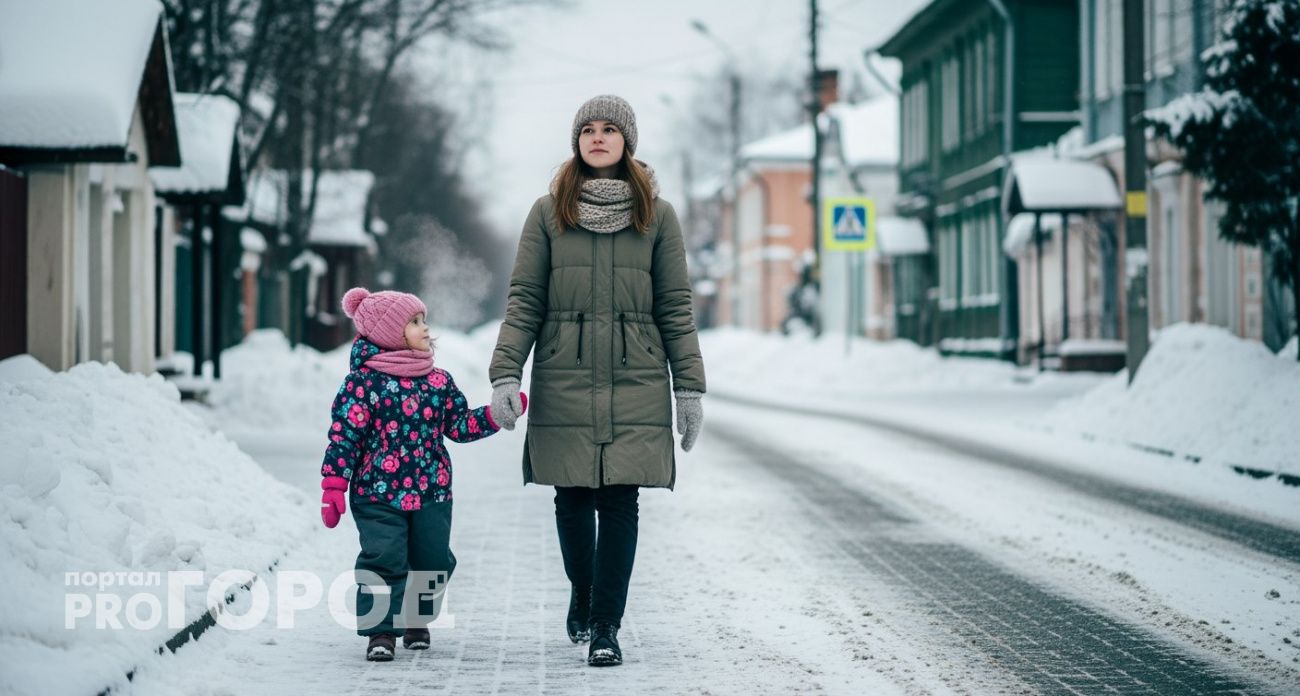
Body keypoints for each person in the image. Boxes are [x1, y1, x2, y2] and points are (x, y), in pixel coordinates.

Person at [488, 94, 707, 667]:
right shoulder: (548, 210)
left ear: (627, 140)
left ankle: (607, 624)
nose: (598, 137)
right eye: (588, 128)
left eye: (610, 128)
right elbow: (525, 300)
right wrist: (505, 372)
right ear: (577, 140)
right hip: (565, 372)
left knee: (619, 500)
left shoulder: (656, 214)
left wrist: (688, 387)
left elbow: (676, 306)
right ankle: (582, 594)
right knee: (571, 496)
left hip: (636, 373)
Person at [320, 287, 526, 662]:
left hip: (431, 491)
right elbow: (344, 436)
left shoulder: (438, 381)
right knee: (383, 557)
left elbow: (459, 425)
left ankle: (416, 618)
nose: (425, 328)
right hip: (376, 493)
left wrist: (495, 416)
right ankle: (381, 630)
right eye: (415, 322)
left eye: (423, 320)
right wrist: (334, 484)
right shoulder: (363, 383)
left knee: (432, 560)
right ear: (389, 333)